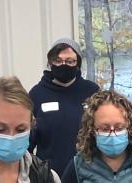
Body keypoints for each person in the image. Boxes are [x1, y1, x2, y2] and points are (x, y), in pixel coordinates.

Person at [29, 38, 99, 175]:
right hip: (50, 177)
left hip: (88, 175)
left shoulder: (92, 91)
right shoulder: (37, 94)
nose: (63, 65)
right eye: (58, 60)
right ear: (50, 63)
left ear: (77, 64)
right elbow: (27, 143)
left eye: (70, 61)